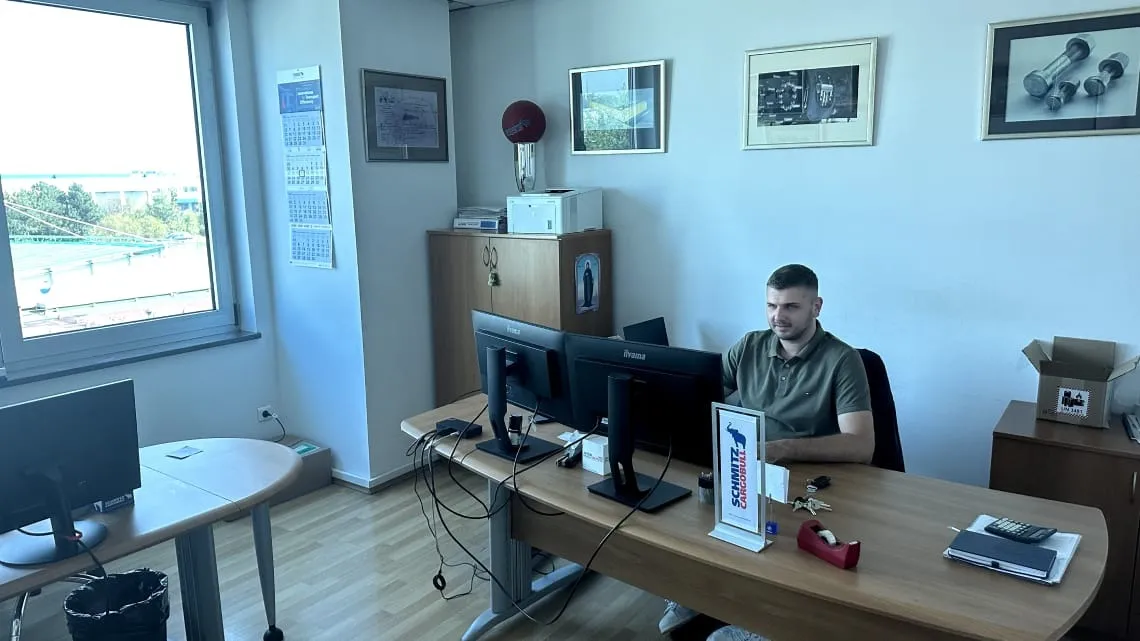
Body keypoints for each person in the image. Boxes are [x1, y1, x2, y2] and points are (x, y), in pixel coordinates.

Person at [659, 263, 875, 641]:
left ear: (816, 307)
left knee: (780, 550)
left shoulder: (842, 360)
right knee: (687, 515)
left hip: (806, 482)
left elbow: (861, 444)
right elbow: (702, 392)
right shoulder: (749, 346)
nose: (778, 316)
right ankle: (694, 592)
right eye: (772, 306)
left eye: (791, 306)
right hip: (748, 466)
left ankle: (759, 625)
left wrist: (783, 447)